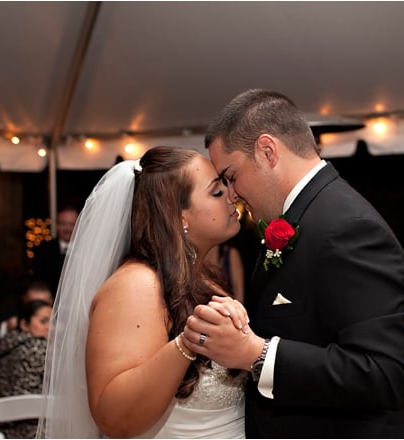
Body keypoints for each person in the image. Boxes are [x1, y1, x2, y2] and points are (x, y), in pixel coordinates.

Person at [182, 89, 404, 438]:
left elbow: (386, 373)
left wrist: (256, 354)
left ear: (267, 151)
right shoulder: (304, 217)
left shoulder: (348, 228)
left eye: (231, 176)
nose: (231, 194)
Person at [37, 146, 250, 438]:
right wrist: (188, 343)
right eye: (216, 192)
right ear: (179, 217)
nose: (232, 196)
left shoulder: (205, 278)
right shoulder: (138, 285)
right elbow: (113, 416)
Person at [0, 299, 52, 438]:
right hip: (40, 430)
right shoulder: (40, 349)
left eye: (52, 321)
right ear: (24, 324)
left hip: (7, 431)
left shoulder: (5, 346)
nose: (50, 327)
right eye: (43, 321)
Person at [31, 205, 78, 295]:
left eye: (72, 224)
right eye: (63, 224)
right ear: (57, 226)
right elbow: (38, 282)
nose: (67, 229)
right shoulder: (42, 250)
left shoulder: (86, 250)